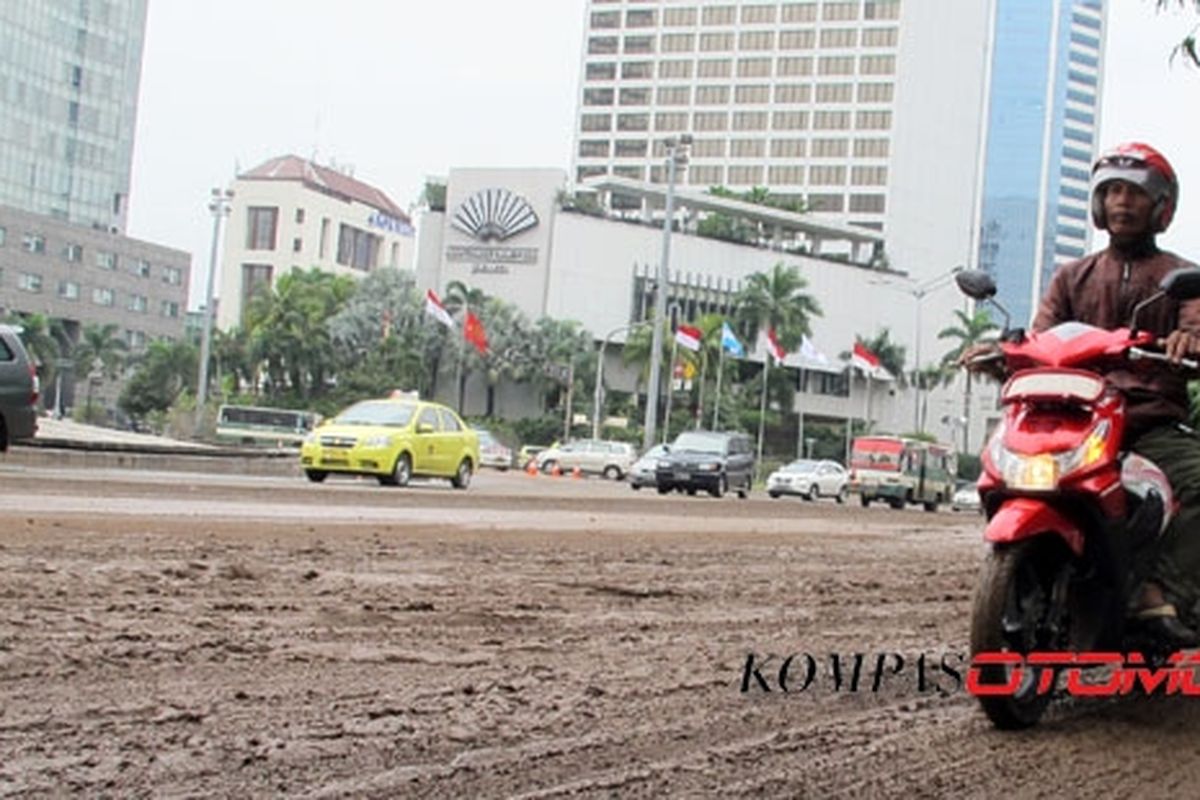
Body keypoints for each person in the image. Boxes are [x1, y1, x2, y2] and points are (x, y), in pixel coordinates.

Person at [966, 141, 1200, 648]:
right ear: (1098, 204)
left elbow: (1195, 324)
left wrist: (1190, 339)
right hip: (1077, 417)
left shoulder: (1180, 278)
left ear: (1160, 206)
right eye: (1112, 191)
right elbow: (1039, 338)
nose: (1122, 202)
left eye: (1135, 194)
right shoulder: (1073, 276)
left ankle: (1162, 590)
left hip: (1146, 421)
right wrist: (1001, 352)